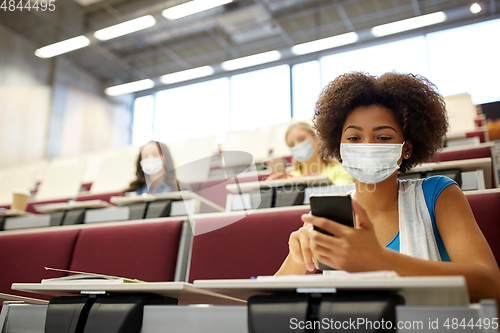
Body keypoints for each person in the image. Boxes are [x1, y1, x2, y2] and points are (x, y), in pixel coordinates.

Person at [275, 72, 500, 303]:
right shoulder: (326, 216)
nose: (368, 146)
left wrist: (379, 260)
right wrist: (298, 258)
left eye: (383, 138)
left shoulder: (438, 195)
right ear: (339, 146)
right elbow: (271, 301)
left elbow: (490, 286)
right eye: (354, 138)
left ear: (406, 148)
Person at [267, 122, 353, 185]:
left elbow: (341, 197)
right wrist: (269, 188)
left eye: (302, 139)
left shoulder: (341, 171)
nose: (298, 146)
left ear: (316, 139)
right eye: (292, 144)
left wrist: (304, 185)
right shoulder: (288, 178)